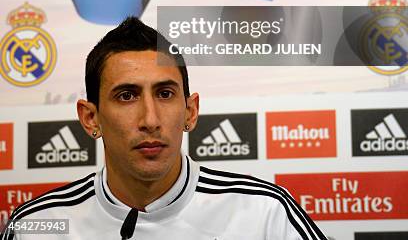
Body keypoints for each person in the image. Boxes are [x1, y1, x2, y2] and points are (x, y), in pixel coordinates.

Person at [2, 18, 327, 240]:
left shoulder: (265, 211)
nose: (150, 119)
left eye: (165, 93)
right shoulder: (35, 225)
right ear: (91, 118)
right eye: (126, 96)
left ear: (190, 111)